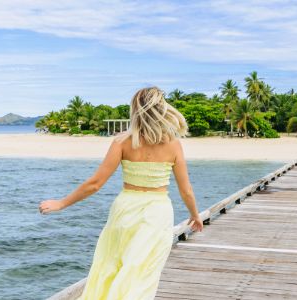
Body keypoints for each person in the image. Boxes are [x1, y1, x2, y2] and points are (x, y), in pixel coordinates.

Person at [38, 87, 204, 299]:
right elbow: (186, 190)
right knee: (143, 272)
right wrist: (194, 215)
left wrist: (62, 203)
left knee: (112, 266)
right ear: (161, 109)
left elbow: (95, 183)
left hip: (125, 208)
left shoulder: (123, 141)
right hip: (157, 212)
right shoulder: (173, 144)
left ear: (134, 110)